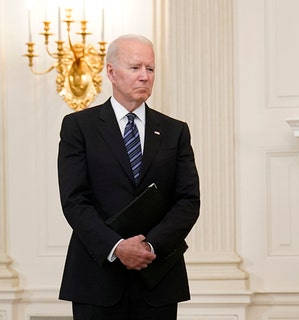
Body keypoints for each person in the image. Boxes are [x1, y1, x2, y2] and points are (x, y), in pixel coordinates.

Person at [57, 34, 200, 319]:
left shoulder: (175, 131)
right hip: (97, 277)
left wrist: (149, 246)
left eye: (150, 68)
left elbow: (187, 202)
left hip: (157, 276)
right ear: (111, 72)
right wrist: (118, 246)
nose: (145, 76)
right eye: (135, 68)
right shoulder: (78, 127)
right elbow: (74, 200)